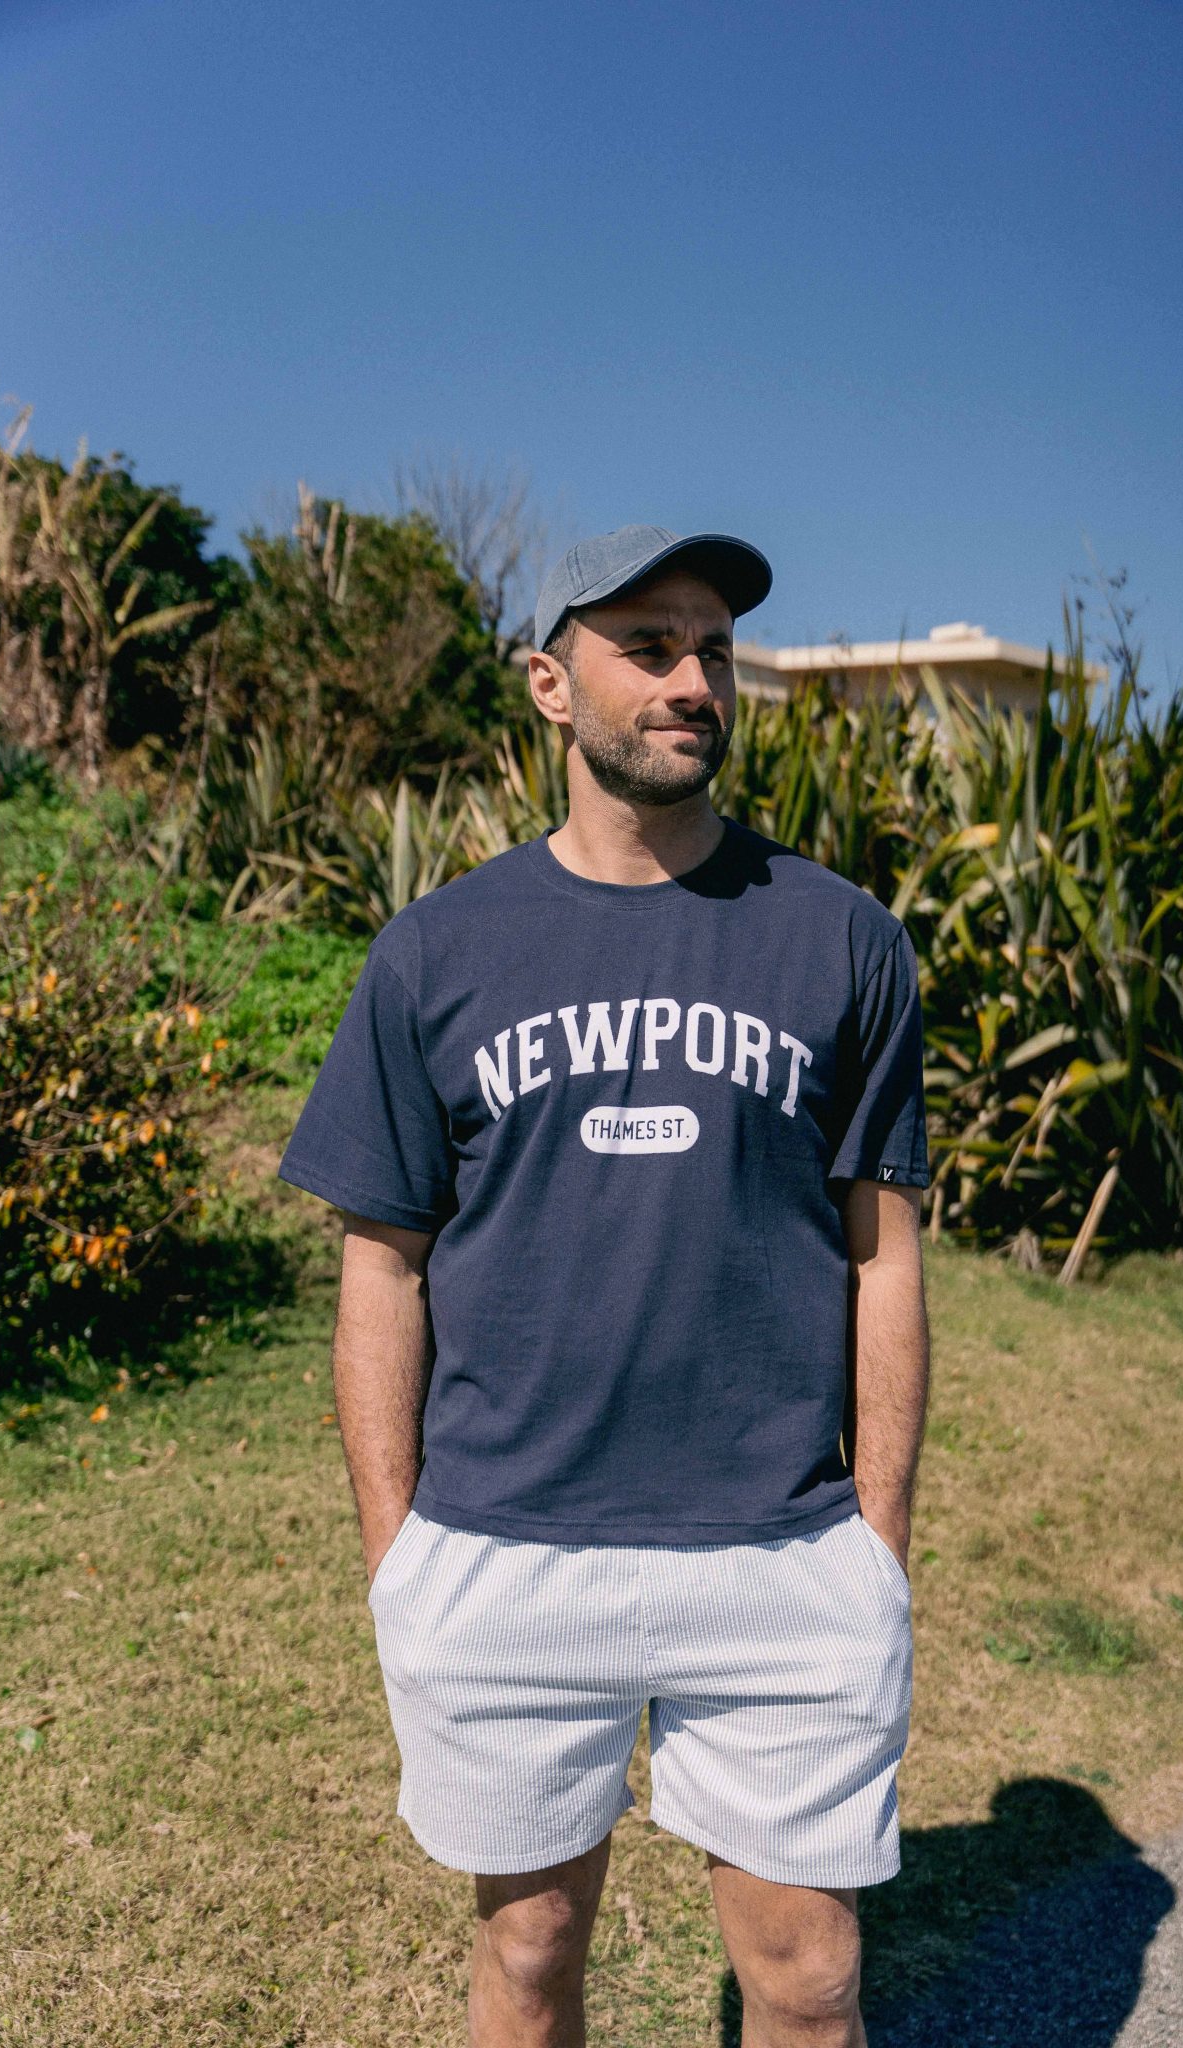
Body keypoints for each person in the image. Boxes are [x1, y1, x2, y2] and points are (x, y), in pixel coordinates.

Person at [277, 523, 931, 2048]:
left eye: (713, 649)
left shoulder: (840, 940)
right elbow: (383, 1271)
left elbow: (883, 1256)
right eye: (648, 646)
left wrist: (876, 1548)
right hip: (506, 1549)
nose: (693, 680)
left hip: (779, 1552)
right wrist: (398, 1558)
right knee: (526, 1960)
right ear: (549, 685)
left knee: (810, 1976)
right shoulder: (435, 953)